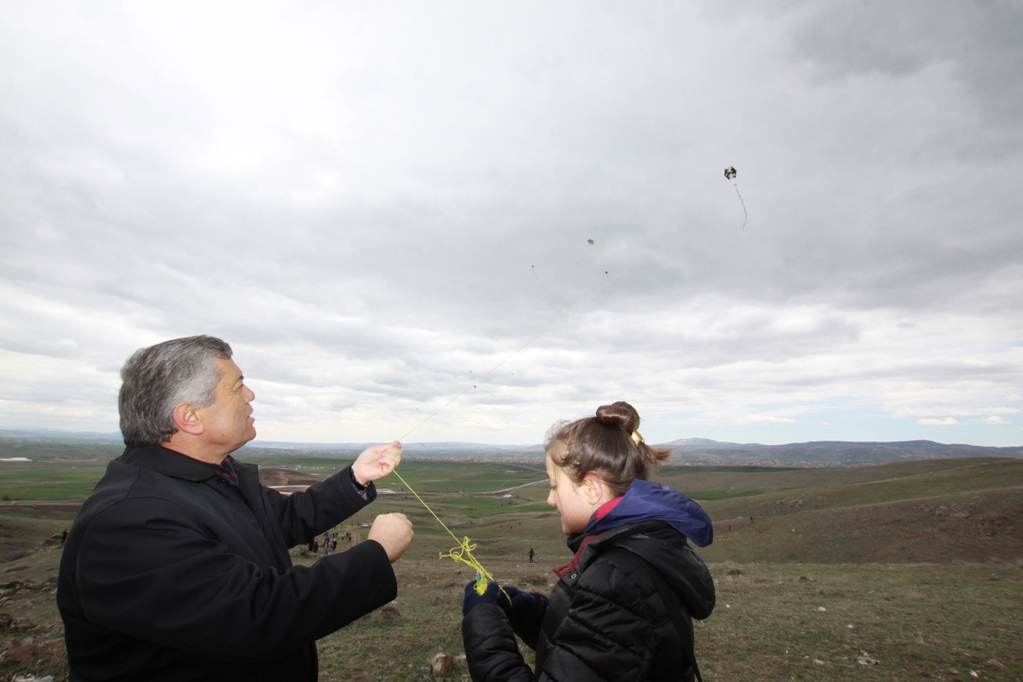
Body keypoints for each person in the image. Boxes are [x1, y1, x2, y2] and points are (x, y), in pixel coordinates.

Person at [57, 335, 414, 681]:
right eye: (237, 386)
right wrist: (376, 553)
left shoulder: (211, 478)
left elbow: (284, 520)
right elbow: (255, 615)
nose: (250, 395)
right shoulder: (130, 520)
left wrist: (356, 477)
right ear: (190, 417)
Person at [462, 402, 715, 682]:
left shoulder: (617, 579)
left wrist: (481, 619)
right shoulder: (639, 550)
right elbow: (594, 652)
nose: (550, 499)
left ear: (592, 488)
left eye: (555, 486)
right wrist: (530, 614)